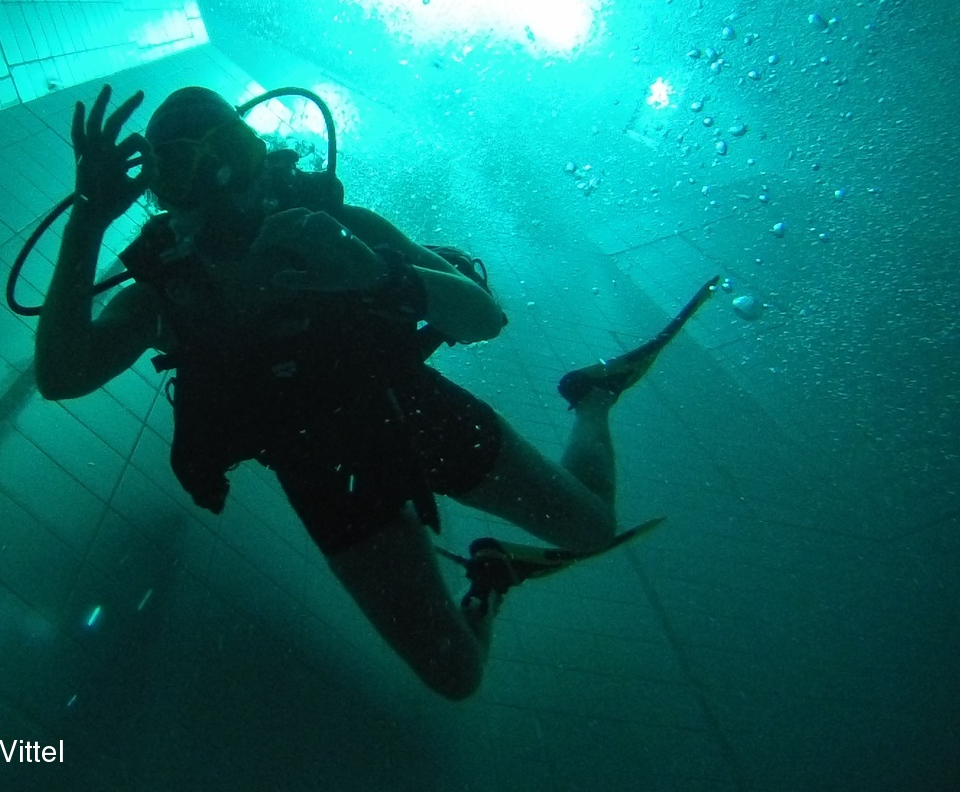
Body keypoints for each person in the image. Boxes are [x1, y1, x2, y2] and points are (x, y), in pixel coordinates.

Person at [35, 84, 716, 701]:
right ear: (159, 187)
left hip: (414, 409)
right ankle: (490, 579)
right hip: (324, 471)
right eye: (187, 163)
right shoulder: (166, 292)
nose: (220, 179)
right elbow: (63, 376)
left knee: (591, 528)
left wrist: (377, 272)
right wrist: (86, 222)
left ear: (256, 152)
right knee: (456, 675)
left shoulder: (341, 229)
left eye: (231, 151)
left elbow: (484, 319)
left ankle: (592, 397)